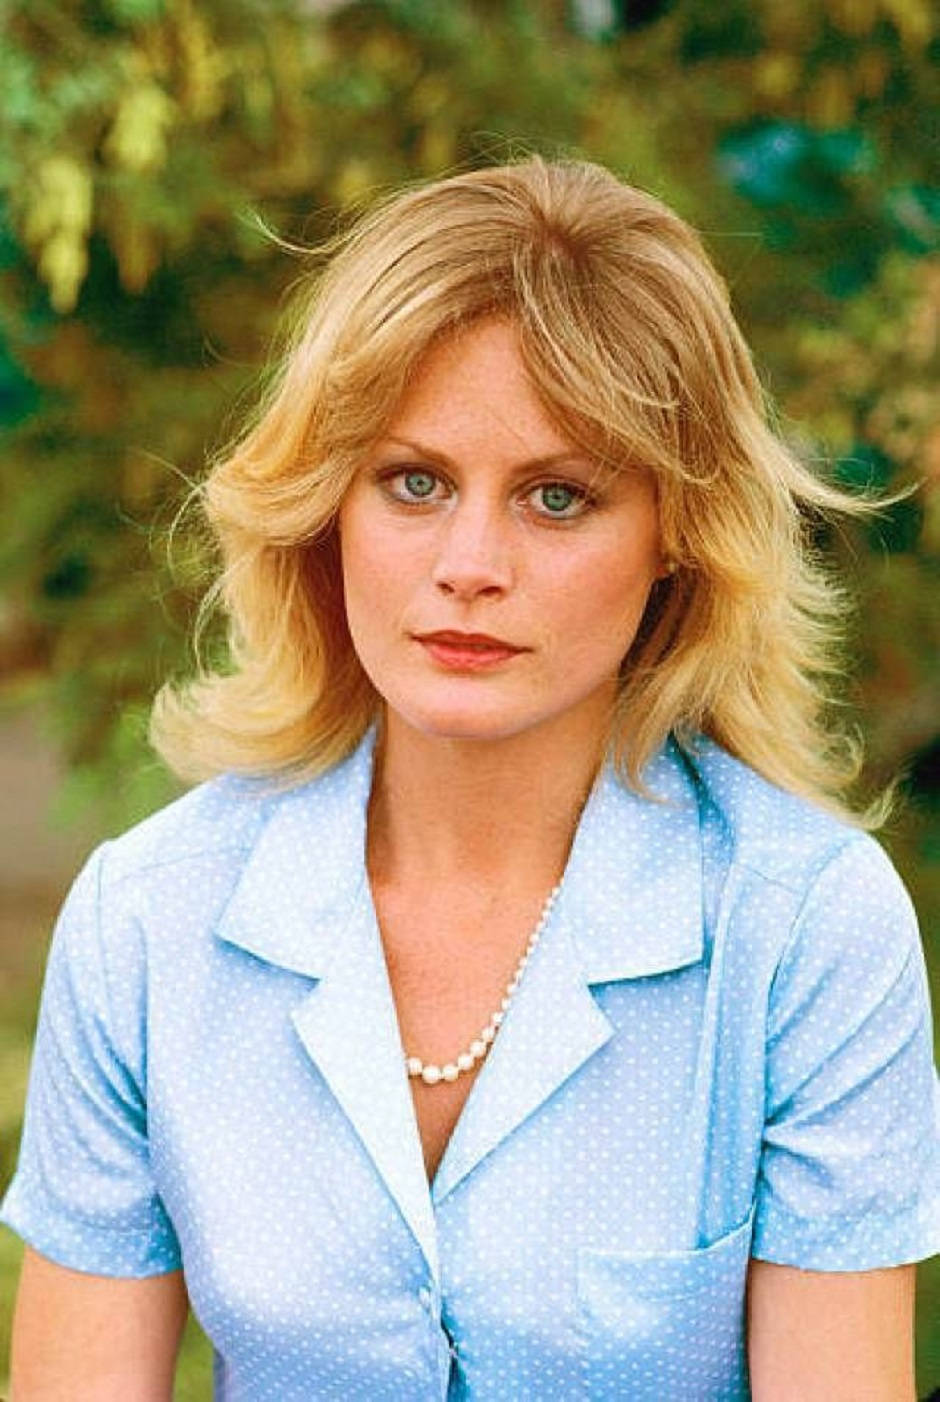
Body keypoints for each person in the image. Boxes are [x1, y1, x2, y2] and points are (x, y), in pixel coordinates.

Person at [2, 156, 937, 1402]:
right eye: (415, 482)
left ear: (675, 530)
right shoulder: (148, 920)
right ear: (328, 504)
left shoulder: (805, 929)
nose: (470, 563)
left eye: (557, 497)